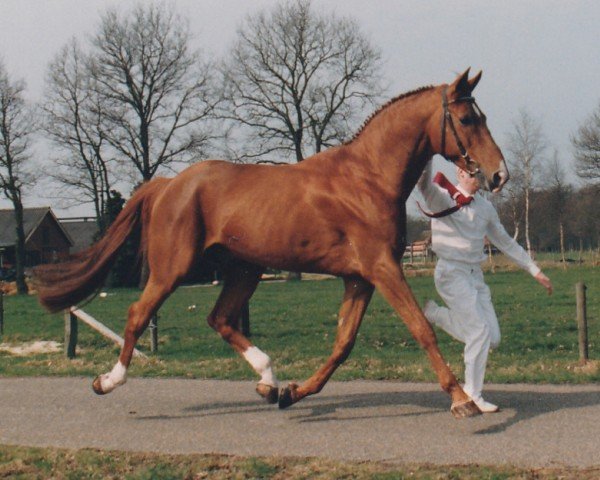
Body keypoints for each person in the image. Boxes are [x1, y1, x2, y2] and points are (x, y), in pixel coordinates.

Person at [418, 161, 553, 413]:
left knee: (492, 338)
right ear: (460, 172)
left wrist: (534, 270)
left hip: (475, 277)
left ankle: (434, 314)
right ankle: (472, 394)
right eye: (473, 170)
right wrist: (427, 155)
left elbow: (506, 242)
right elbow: (423, 185)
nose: (479, 175)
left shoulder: (485, 208)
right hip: (451, 273)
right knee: (478, 333)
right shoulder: (443, 197)